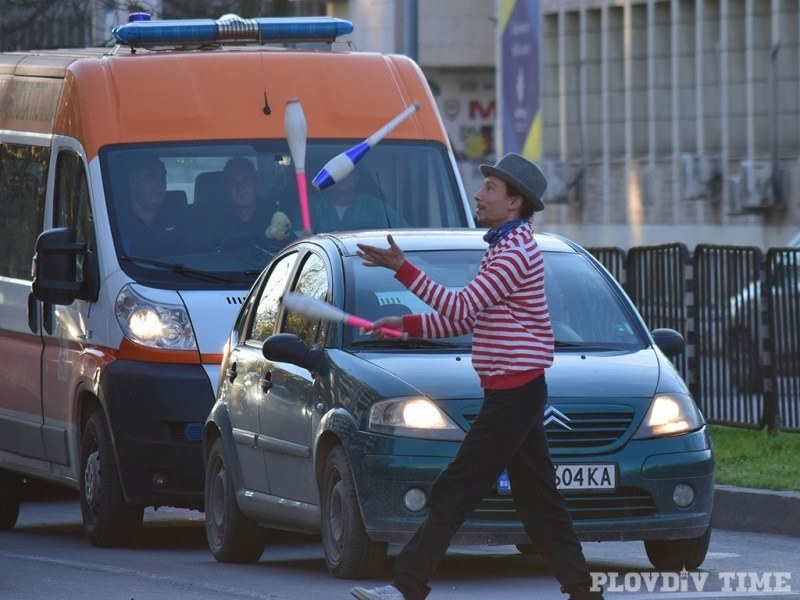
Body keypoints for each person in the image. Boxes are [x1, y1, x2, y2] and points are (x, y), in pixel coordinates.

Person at [351, 153, 604, 600]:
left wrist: (402, 268)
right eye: (483, 186)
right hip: (515, 391)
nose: (478, 194)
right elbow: (466, 321)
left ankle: (407, 585)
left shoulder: (516, 251)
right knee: (539, 501)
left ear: (515, 203)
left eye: (490, 188)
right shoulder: (504, 248)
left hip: (514, 394)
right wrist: (402, 326)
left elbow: (461, 307)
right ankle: (583, 591)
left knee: (457, 488)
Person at [117, 154, 190, 257]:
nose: (160, 183)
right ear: (132, 183)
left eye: (162, 177)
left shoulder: (181, 223)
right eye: (150, 176)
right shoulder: (116, 226)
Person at [215, 157, 295, 247]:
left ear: (256, 183)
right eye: (233, 182)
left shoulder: (274, 215)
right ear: (226, 188)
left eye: (246, 180)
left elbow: (293, 246)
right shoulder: (215, 221)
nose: (240, 187)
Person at [304, 167, 407, 233]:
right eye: (337, 173)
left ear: (356, 176)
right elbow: (298, 240)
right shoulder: (310, 206)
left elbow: (405, 234)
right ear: (327, 178)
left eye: (347, 172)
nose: (342, 177)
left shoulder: (375, 206)